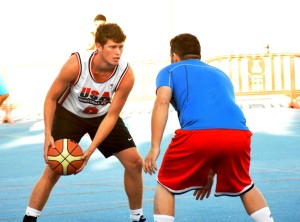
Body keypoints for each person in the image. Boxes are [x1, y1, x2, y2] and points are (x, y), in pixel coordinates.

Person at [143, 33, 274, 222]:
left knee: (165, 184)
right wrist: (210, 171)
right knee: (245, 185)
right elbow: (219, 119)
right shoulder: (221, 75)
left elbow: (161, 102)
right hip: (238, 135)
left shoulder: (170, 70)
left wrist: (155, 147)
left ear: (174, 57)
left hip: (198, 135)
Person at [23, 23, 146, 222]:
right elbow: (51, 97)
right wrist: (48, 134)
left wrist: (90, 151)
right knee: (54, 168)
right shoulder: (76, 64)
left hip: (102, 116)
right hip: (69, 114)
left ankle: (137, 217)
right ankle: (29, 217)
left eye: (121, 47)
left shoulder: (126, 75)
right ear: (98, 46)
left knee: (135, 162)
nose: (118, 52)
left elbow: (112, 116)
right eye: (112, 47)